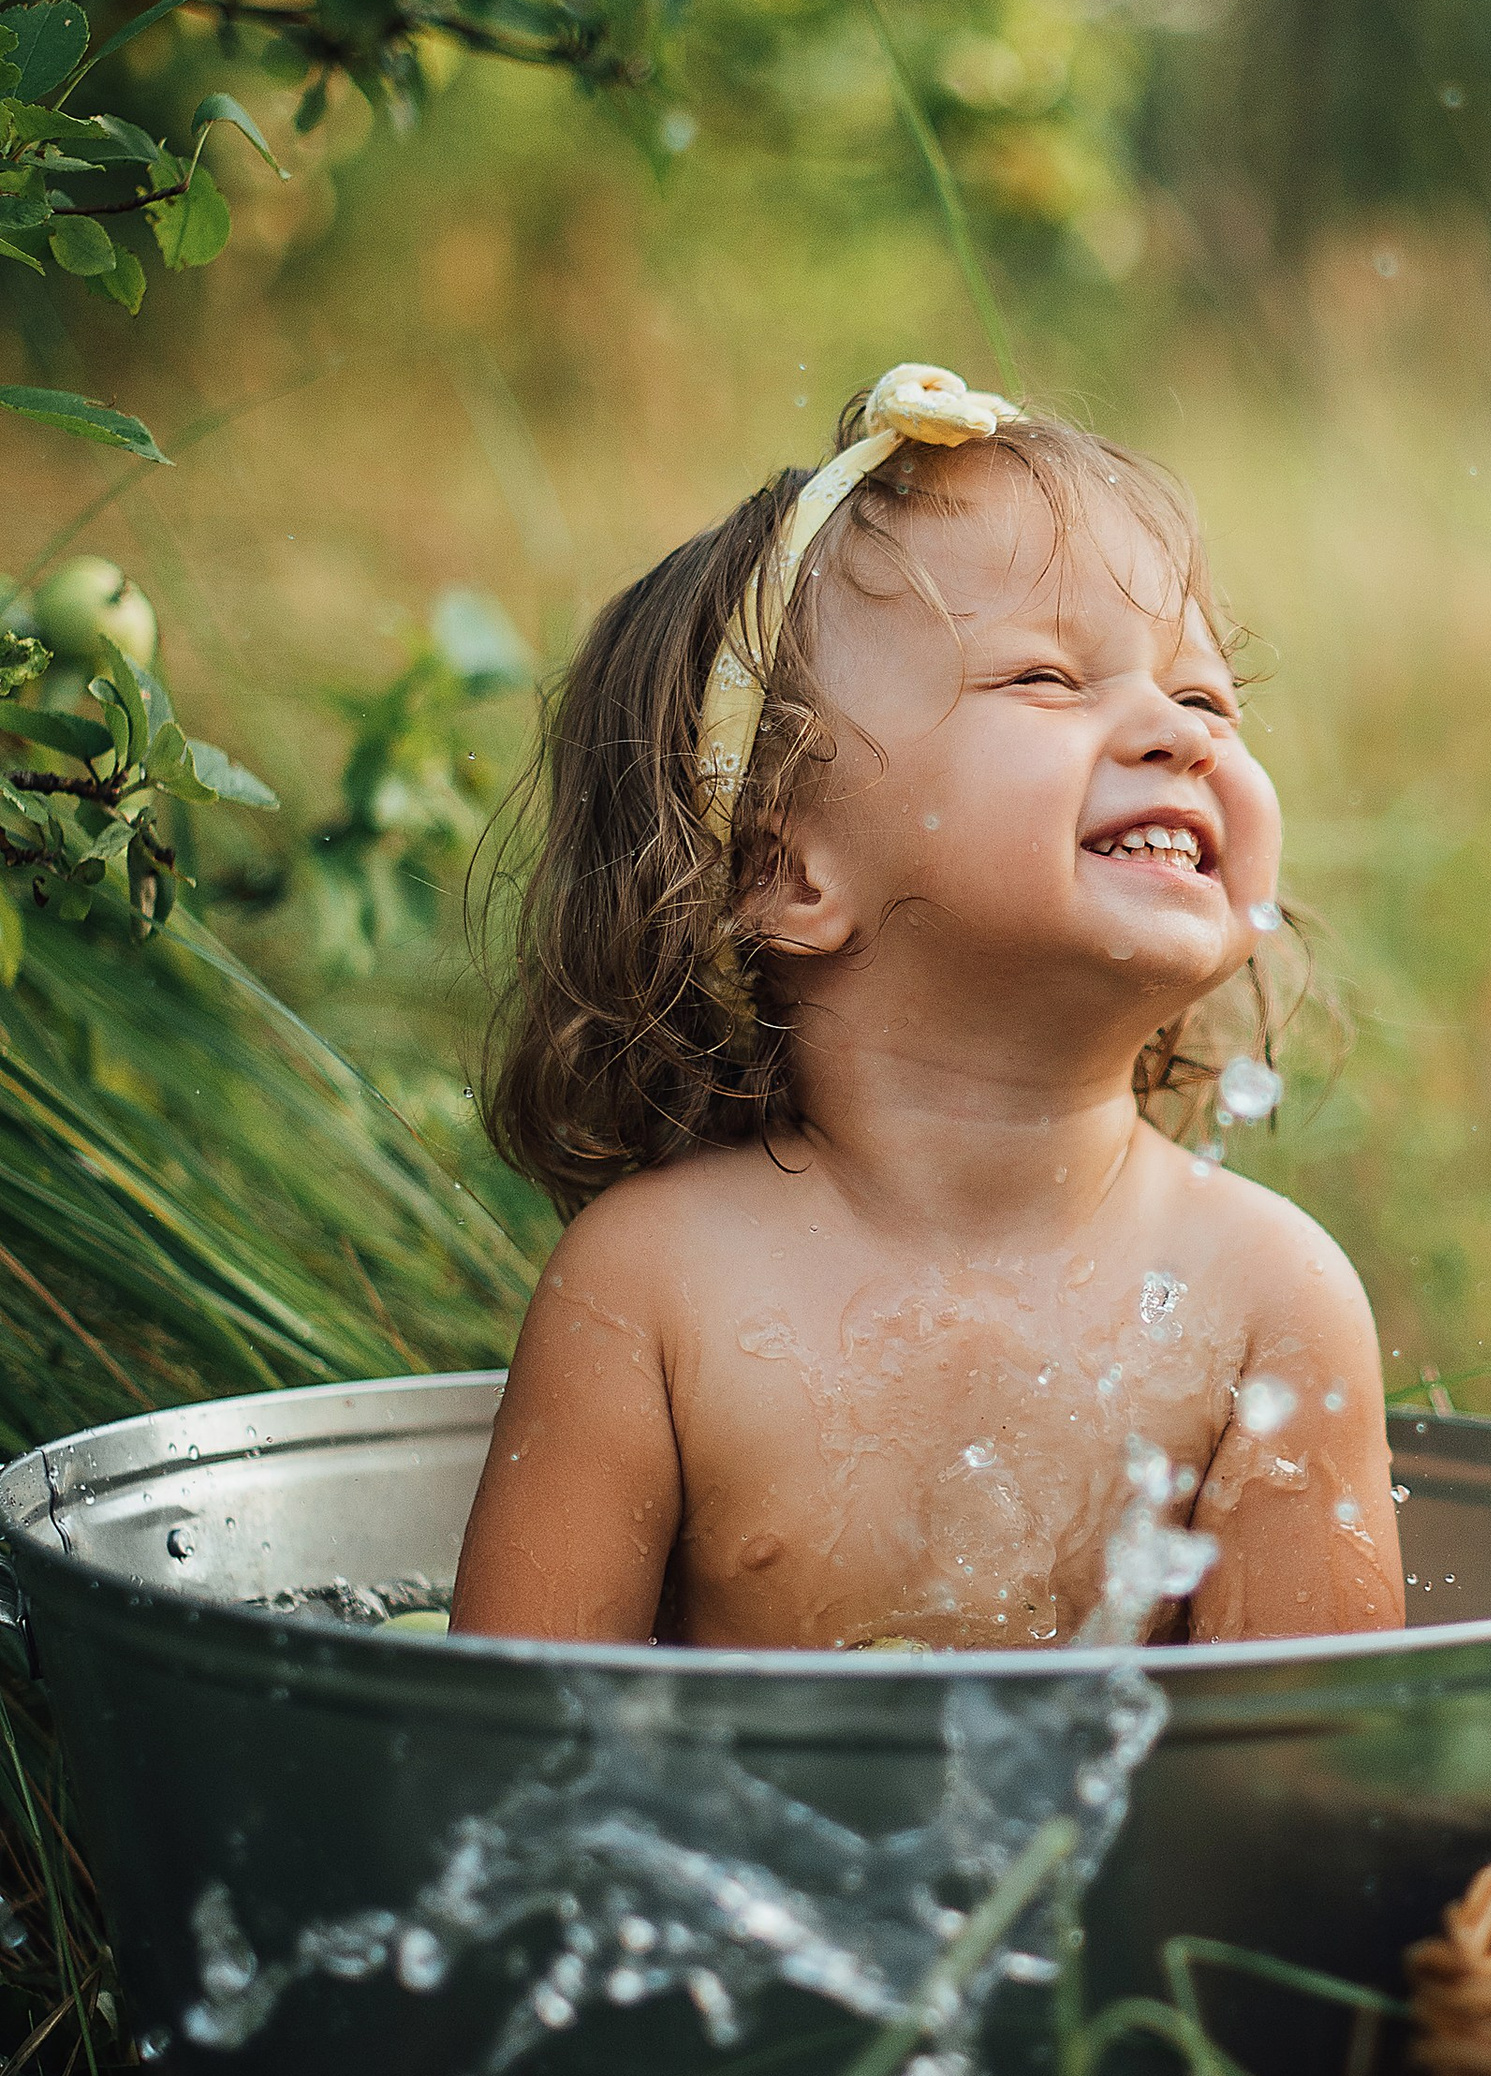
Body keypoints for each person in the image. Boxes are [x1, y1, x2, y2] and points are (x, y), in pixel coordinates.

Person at [449, 364, 1402, 1654]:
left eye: (1202, 696)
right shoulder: (655, 1290)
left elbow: (1313, 1762)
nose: (1182, 736)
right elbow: (513, 1741)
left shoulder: (1273, 1297)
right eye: (1045, 679)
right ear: (789, 873)